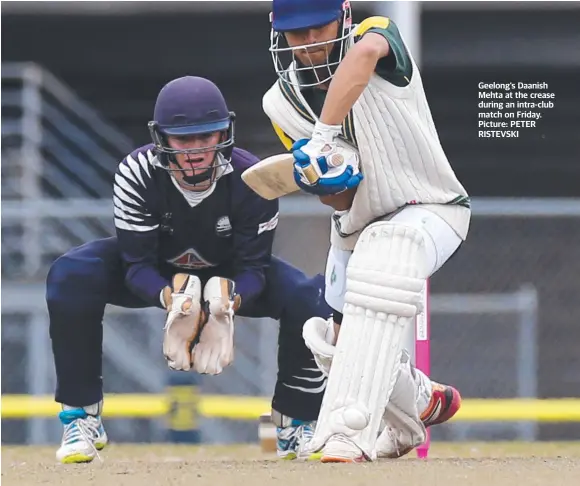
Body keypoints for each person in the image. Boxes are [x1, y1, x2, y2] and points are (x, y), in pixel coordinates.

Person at [46, 76, 332, 464]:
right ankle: (81, 418)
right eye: (183, 139)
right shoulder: (137, 172)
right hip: (159, 272)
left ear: (224, 133)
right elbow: (135, 266)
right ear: (161, 136)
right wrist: (175, 300)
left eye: (206, 137)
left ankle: (294, 424)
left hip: (229, 274)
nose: (196, 150)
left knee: (311, 296)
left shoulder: (255, 178)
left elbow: (255, 269)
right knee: (71, 275)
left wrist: (228, 303)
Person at [262, 0, 470, 462]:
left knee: (386, 249)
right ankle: (413, 408)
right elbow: (338, 202)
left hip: (433, 208)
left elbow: (363, 57)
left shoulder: (375, 36)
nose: (310, 44)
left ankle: (346, 434)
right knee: (336, 347)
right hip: (357, 227)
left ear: (344, 16)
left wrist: (323, 135)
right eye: (297, 34)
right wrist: (329, 181)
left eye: (319, 28)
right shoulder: (279, 104)